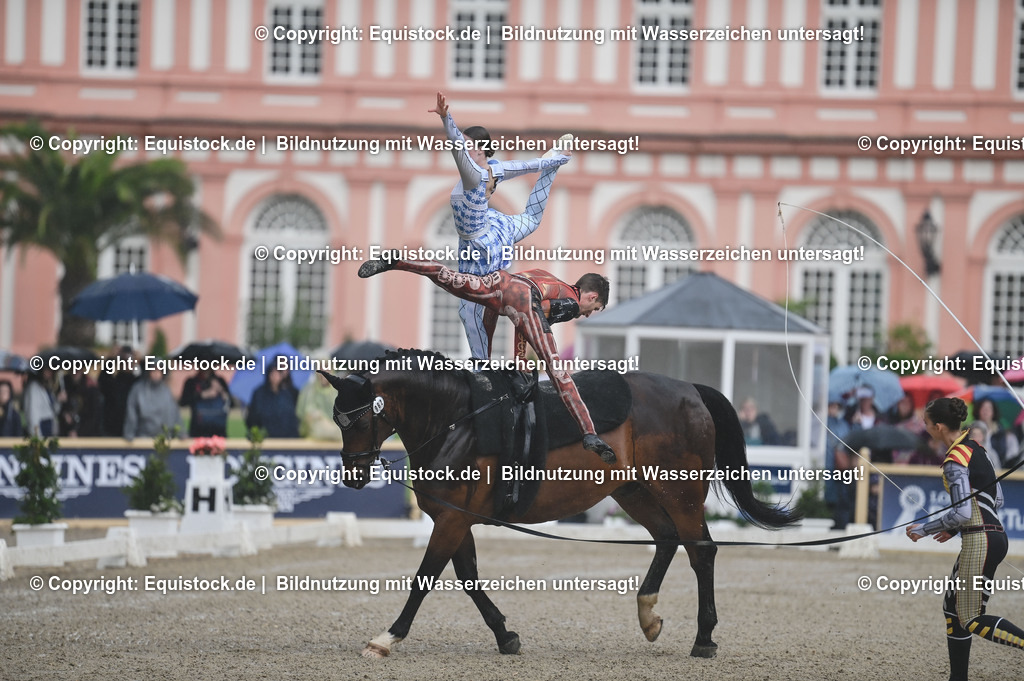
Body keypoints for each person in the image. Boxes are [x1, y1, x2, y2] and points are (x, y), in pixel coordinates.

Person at [359, 254, 615, 462]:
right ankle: (589, 432)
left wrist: (520, 361)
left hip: (499, 283)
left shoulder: (548, 277)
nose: (588, 315)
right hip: (520, 301)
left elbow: (524, 314)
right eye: (593, 310)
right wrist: (524, 363)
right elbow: (532, 313)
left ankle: (397, 261)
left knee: (447, 277)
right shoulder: (570, 303)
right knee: (558, 373)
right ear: (592, 297)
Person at [430, 91, 573, 359]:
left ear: (481, 148)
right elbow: (529, 165)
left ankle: (480, 364)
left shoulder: (473, 173)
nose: (464, 146)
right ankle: (481, 360)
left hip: (479, 244)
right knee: (531, 218)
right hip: (492, 229)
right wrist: (555, 159)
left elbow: (457, 147)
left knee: (469, 308)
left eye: (468, 143)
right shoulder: (492, 169)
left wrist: (446, 118)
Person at [907, 397, 1024, 680]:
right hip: (990, 536)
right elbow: (996, 499)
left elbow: (960, 512)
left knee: (970, 616)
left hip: (981, 540)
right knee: (952, 607)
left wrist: (923, 529)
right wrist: (957, 527)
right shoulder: (976, 449)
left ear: (938, 426)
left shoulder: (955, 459)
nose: (925, 428)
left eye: (926, 423)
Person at [245, 358, 300, 438]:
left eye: (278, 373)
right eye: (273, 373)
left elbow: (291, 418)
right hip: (265, 437)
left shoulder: (287, 394)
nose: (275, 377)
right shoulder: (259, 393)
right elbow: (253, 417)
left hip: (286, 438)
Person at [123, 368, 182, 440]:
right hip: (143, 439)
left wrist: (181, 432)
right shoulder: (138, 390)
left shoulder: (166, 391)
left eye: (159, 371)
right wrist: (129, 433)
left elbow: (175, 413)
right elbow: (131, 414)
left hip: (164, 439)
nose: (156, 374)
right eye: (153, 371)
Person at [98, 345, 137, 437]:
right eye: (123, 361)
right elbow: (102, 380)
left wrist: (141, 361)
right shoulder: (113, 383)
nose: (127, 364)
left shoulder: (136, 384)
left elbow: (148, 378)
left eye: (130, 361)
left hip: (133, 431)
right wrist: (111, 359)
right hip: (112, 430)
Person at [824, 400, 852, 530]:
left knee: (842, 502)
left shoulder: (843, 424)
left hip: (840, 469)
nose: (834, 409)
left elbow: (848, 442)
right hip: (827, 468)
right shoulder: (822, 421)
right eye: (832, 406)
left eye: (837, 406)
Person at [179, 368, 231, 437]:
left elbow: (230, 403)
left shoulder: (219, 381)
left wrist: (220, 389)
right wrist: (202, 395)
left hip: (218, 429)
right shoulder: (192, 382)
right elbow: (183, 402)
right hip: (198, 430)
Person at [297, 369, 343, 441]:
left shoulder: (340, 392)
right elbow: (304, 415)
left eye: (327, 370)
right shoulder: (308, 391)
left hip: (338, 442)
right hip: (312, 442)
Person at [973, 397, 1019, 468]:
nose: (986, 410)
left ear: (993, 411)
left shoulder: (999, 430)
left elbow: (1002, 453)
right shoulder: (970, 428)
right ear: (978, 410)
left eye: (989, 408)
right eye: (983, 407)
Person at [23, 367, 58, 437]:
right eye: (47, 370)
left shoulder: (47, 387)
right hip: (41, 429)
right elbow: (33, 414)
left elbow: (53, 410)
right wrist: (37, 437)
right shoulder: (34, 387)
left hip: (49, 428)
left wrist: (59, 400)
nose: (50, 373)